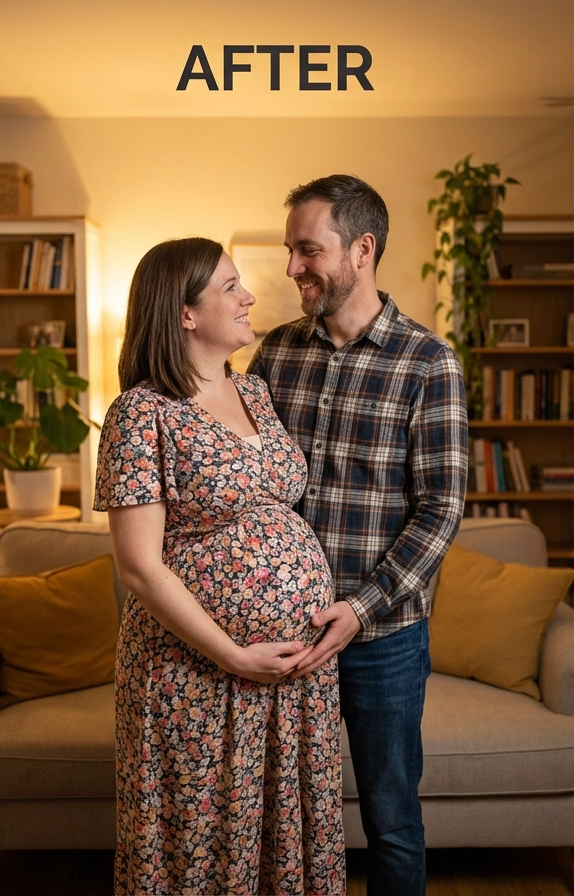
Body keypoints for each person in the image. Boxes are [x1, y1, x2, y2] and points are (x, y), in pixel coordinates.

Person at [94, 237, 346, 896]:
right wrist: (233, 654)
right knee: (193, 840)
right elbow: (140, 569)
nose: (250, 297)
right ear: (183, 313)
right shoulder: (137, 414)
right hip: (195, 672)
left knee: (283, 833)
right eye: (231, 287)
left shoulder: (256, 392)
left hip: (294, 677)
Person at [249, 175, 468, 896]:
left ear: (362, 250)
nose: (292, 268)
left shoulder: (428, 362)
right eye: (290, 251)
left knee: (392, 818)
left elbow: (440, 509)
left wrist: (359, 610)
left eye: (308, 250)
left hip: (384, 640)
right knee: (275, 818)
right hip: (282, 635)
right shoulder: (274, 357)